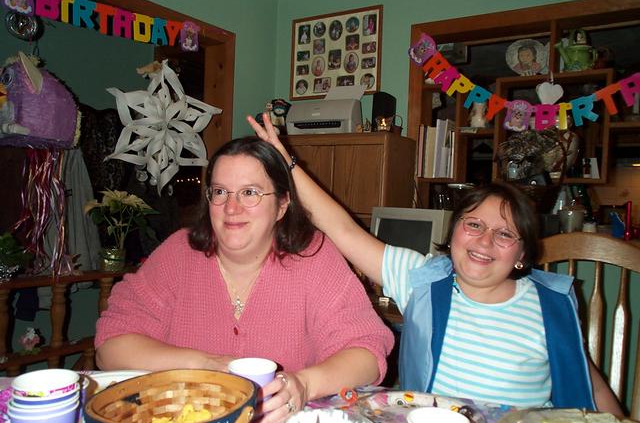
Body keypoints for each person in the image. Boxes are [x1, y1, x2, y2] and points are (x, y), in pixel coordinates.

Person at [247, 113, 624, 415]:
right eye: (473, 225)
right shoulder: (423, 281)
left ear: (523, 254)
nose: (484, 241)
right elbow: (342, 229)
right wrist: (286, 163)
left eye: (504, 234)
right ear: (454, 231)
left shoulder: (550, 304)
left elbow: (588, 383)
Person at [95, 138, 394, 423]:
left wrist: (303, 384)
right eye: (220, 192)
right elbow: (111, 348)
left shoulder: (314, 257)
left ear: (282, 205)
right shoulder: (178, 254)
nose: (231, 207)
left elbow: (367, 354)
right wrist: (206, 364)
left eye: (250, 192)